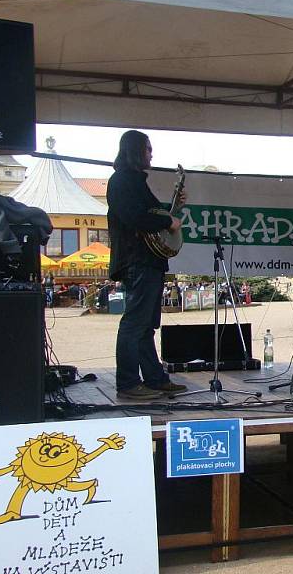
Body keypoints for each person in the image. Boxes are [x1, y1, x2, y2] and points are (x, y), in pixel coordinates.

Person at [107, 130, 188, 400]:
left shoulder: (135, 182)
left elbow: (151, 214)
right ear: (135, 150)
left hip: (148, 260)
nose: (151, 154)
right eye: (147, 149)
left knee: (145, 325)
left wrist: (171, 209)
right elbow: (136, 217)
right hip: (137, 260)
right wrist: (168, 221)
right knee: (134, 323)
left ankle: (154, 378)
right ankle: (128, 383)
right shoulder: (122, 181)